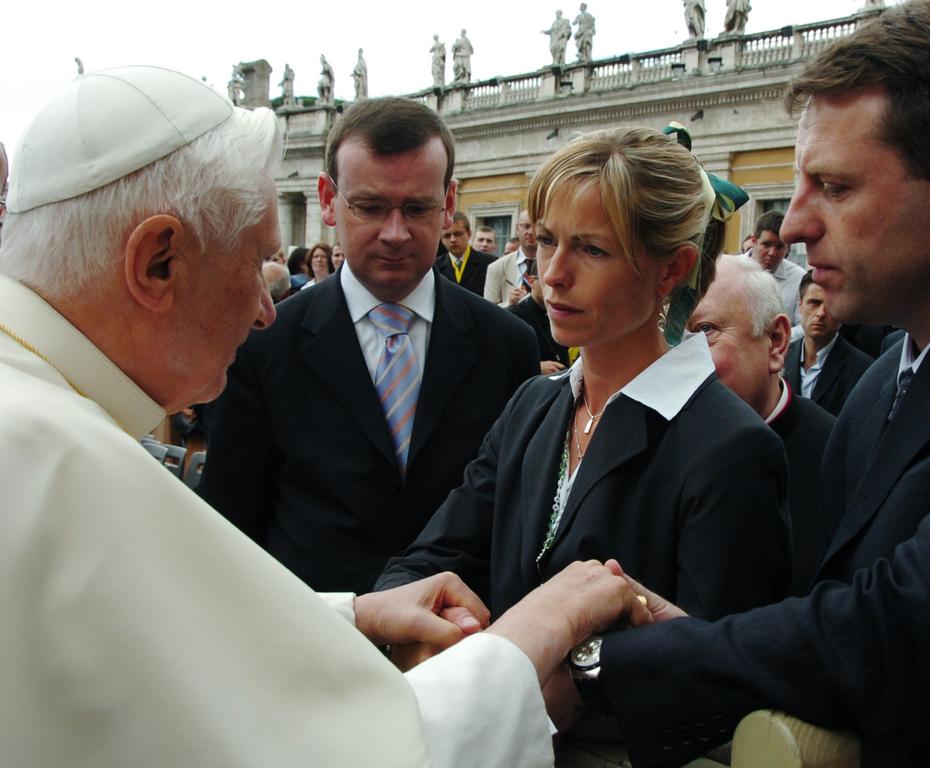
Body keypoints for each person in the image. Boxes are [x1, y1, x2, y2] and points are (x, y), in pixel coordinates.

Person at [0, 63, 654, 768]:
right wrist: (541, 627)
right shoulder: (54, 459)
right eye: (253, 264)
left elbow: (184, 624)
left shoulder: (45, 429)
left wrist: (356, 613)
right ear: (157, 262)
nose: (261, 307)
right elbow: (365, 750)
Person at [571, 2, 930, 765]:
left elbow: (898, 635)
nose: (797, 224)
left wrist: (600, 663)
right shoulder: (880, 391)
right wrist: (689, 643)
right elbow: (831, 622)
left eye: (835, 187)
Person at [377, 127, 790, 699]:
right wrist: (426, 626)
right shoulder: (534, 404)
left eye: (592, 249)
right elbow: (431, 555)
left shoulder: (730, 447)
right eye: (547, 241)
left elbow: (714, 671)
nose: (553, 273)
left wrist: (561, 669)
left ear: (672, 269)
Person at [199, 97, 539, 595]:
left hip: (461, 645)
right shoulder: (261, 345)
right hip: (310, 645)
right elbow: (229, 527)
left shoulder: (507, 344)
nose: (395, 233)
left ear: (448, 204)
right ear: (328, 200)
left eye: (417, 208)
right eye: (371, 207)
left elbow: (513, 521)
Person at [689, 254, 835, 595]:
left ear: (775, 341)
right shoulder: (659, 442)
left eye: (705, 331)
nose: (682, 360)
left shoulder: (837, 453)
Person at [783, 270, 872, 416]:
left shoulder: (863, 370)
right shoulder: (781, 359)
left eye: (830, 305)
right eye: (814, 303)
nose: (821, 313)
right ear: (800, 305)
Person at [507, 257, 571, 374]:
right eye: (548, 280)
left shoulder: (567, 314)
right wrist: (535, 367)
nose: (556, 287)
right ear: (531, 281)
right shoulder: (512, 318)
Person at [748, 209, 806, 325]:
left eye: (779, 247)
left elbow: (804, 325)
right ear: (754, 241)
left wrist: (778, 341)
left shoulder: (799, 278)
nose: (772, 253)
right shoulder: (729, 269)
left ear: (788, 248)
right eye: (767, 244)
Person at [484, 210, 537, 306]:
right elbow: (488, 310)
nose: (531, 232)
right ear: (517, 229)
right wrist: (509, 304)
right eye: (526, 226)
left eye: (536, 226)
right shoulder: (496, 267)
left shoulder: (553, 264)